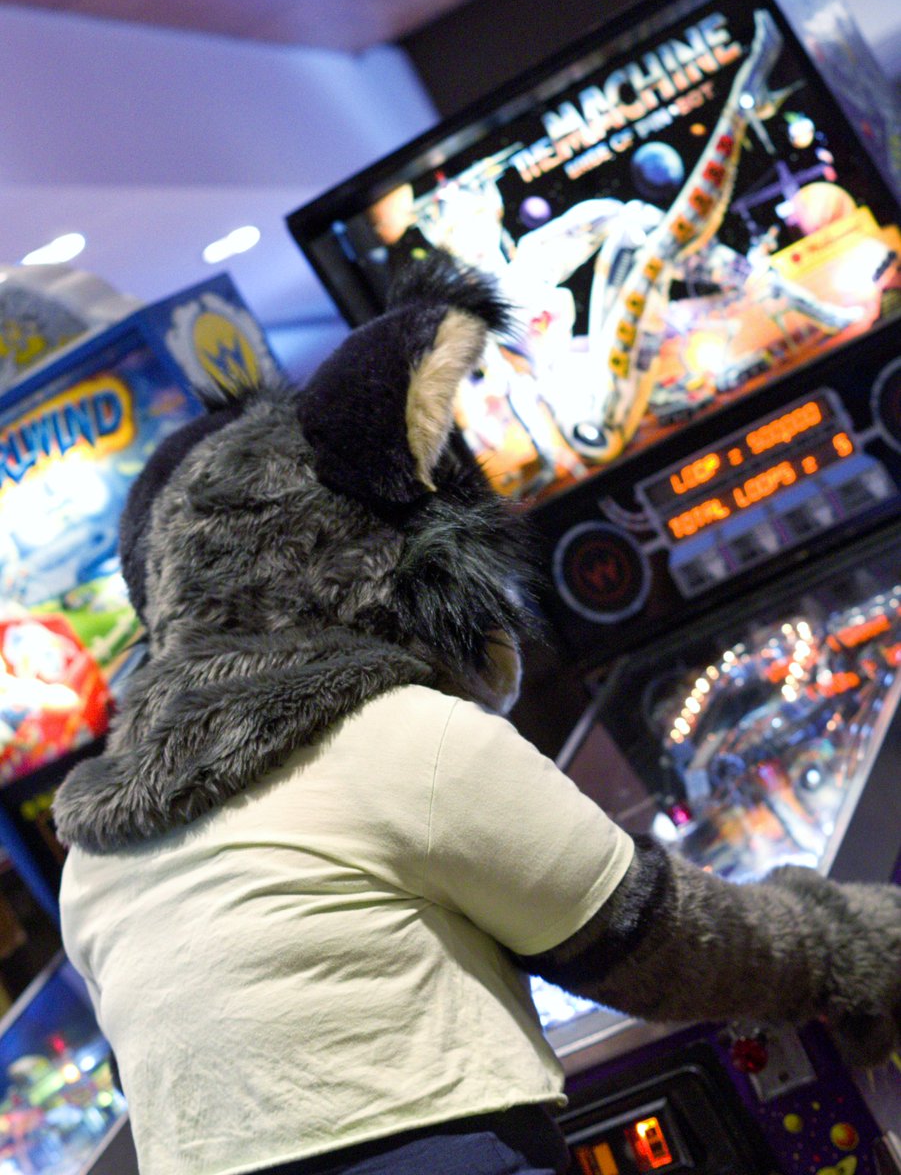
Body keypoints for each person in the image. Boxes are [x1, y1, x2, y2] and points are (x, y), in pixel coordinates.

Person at [54, 256, 900, 1175]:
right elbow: (648, 940)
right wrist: (845, 949)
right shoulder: (393, 738)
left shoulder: (95, 862)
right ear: (404, 549)